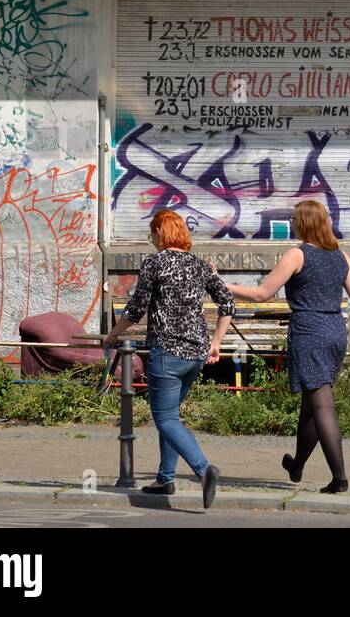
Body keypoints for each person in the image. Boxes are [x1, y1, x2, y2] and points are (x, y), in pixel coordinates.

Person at [227, 199, 350, 493]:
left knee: (322, 405)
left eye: (294, 219)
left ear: (304, 222)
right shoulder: (341, 257)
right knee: (311, 406)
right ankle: (297, 465)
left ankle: (339, 478)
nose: (291, 223)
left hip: (309, 332)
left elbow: (261, 294)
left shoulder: (296, 255)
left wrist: (223, 285)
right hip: (334, 332)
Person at [103, 209, 232, 508]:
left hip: (167, 353)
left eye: (153, 233)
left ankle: (203, 471)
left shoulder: (155, 263)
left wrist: (112, 334)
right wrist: (216, 342)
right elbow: (227, 302)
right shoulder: (200, 266)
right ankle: (165, 478)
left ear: (162, 234)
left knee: (165, 418)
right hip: (196, 355)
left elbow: (135, 311)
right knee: (171, 416)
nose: (153, 239)